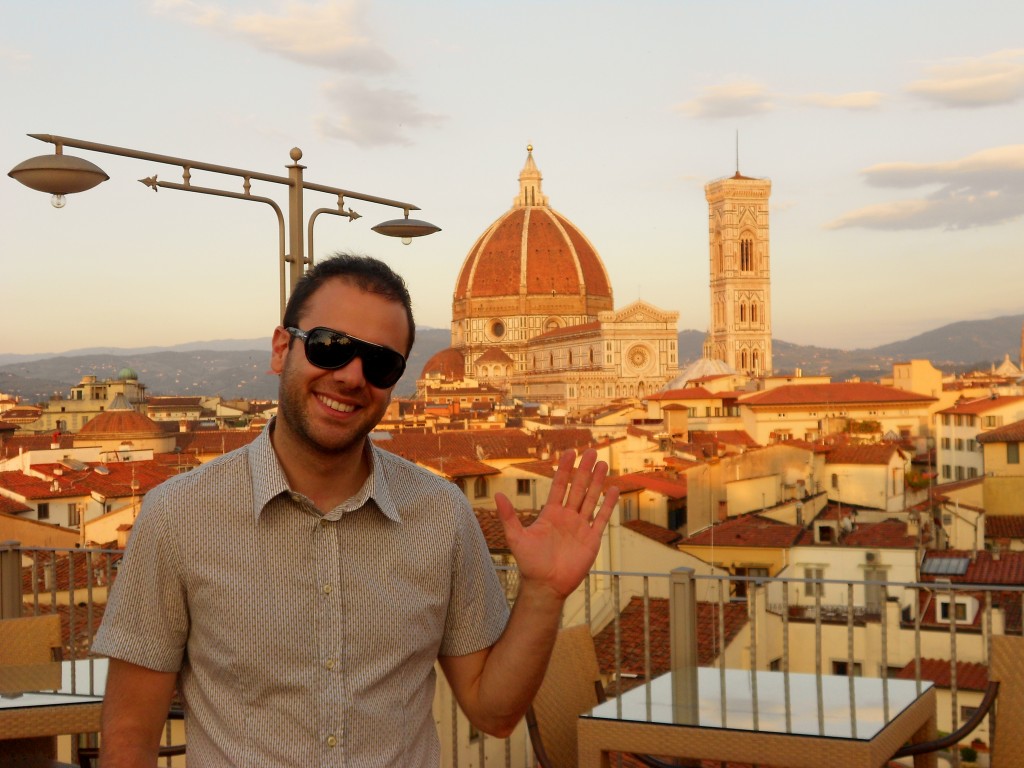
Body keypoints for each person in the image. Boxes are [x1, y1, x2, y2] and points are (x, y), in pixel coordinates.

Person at [92, 253, 619, 767]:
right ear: (282, 349)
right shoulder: (179, 517)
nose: (350, 376)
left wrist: (544, 594)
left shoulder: (439, 513)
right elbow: (129, 736)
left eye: (382, 363)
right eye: (329, 346)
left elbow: (494, 713)